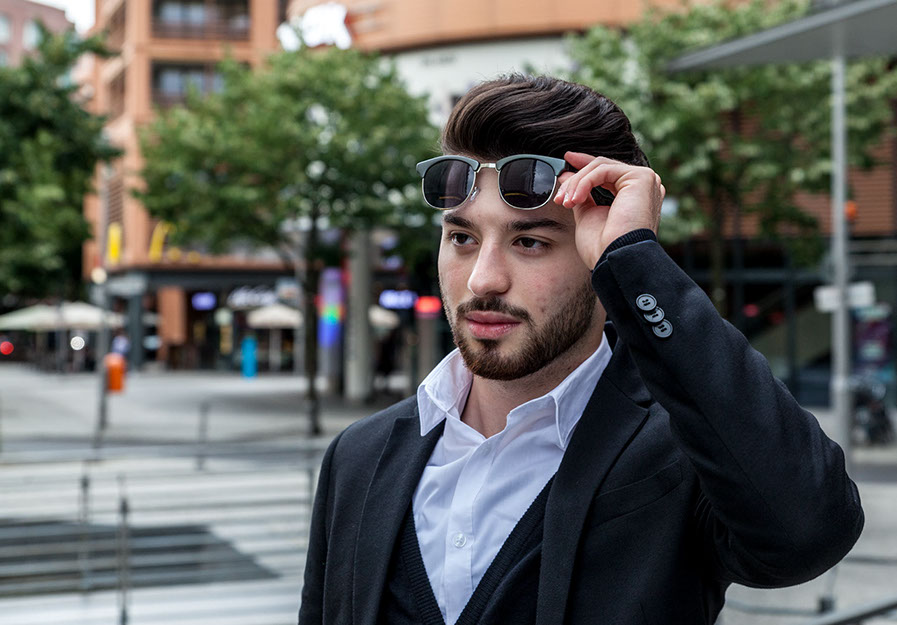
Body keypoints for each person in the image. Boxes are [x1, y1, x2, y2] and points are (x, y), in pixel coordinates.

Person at [298, 75, 863, 625]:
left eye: (530, 242)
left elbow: (809, 531)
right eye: (462, 238)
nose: (483, 280)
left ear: (597, 255)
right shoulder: (360, 457)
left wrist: (635, 258)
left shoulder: (678, 455)